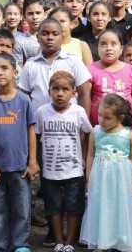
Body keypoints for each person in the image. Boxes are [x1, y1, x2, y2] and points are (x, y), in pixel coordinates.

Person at [0, 53, 38, 252]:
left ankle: (20, 244)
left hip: (20, 166)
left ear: (15, 73)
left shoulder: (24, 101)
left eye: (4, 68)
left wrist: (32, 162)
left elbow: (31, 131)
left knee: (22, 208)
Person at [35, 71, 92, 252]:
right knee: (53, 207)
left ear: (73, 93)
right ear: (49, 91)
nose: (60, 93)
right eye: (56, 89)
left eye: (65, 89)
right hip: (49, 170)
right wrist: (36, 161)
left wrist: (84, 157)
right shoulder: (42, 112)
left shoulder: (78, 111)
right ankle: (59, 241)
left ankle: (69, 242)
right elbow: (36, 138)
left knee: (74, 207)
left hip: (74, 170)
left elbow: (88, 133)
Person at [80, 93, 132, 251]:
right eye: (99, 115)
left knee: (120, 206)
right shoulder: (96, 131)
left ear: (120, 118)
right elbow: (91, 155)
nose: (101, 120)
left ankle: (120, 239)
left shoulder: (129, 134)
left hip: (121, 177)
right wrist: (89, 179)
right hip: (100, 176)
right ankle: (101, 240)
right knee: (101, 205)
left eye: (107, 117)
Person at [19, 18, 91, 114]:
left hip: (70, 123)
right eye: (44, 34)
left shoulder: (74, 61)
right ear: (37, 37)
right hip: (39, 123)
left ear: (62, 36)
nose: (50, 37)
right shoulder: (30, 65)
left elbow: (84, 94)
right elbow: (24, 98)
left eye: (55, 34)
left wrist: (84, 123)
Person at [88, 29, 132, 131]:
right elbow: (86, 100)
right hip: (98, 130)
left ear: (121, 49)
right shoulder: (90, 70)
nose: (108, 48)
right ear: (97, 48)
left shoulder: (131, 70)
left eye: (113, 44)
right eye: (103, 44)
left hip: (126, 130)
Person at [14, 0, 45, 68]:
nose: (35, 17)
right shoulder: (19, 41)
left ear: (45, 14)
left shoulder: (54, 37)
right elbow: (19, 69)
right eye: (30, 14)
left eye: (38, 13)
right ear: (24, 16)